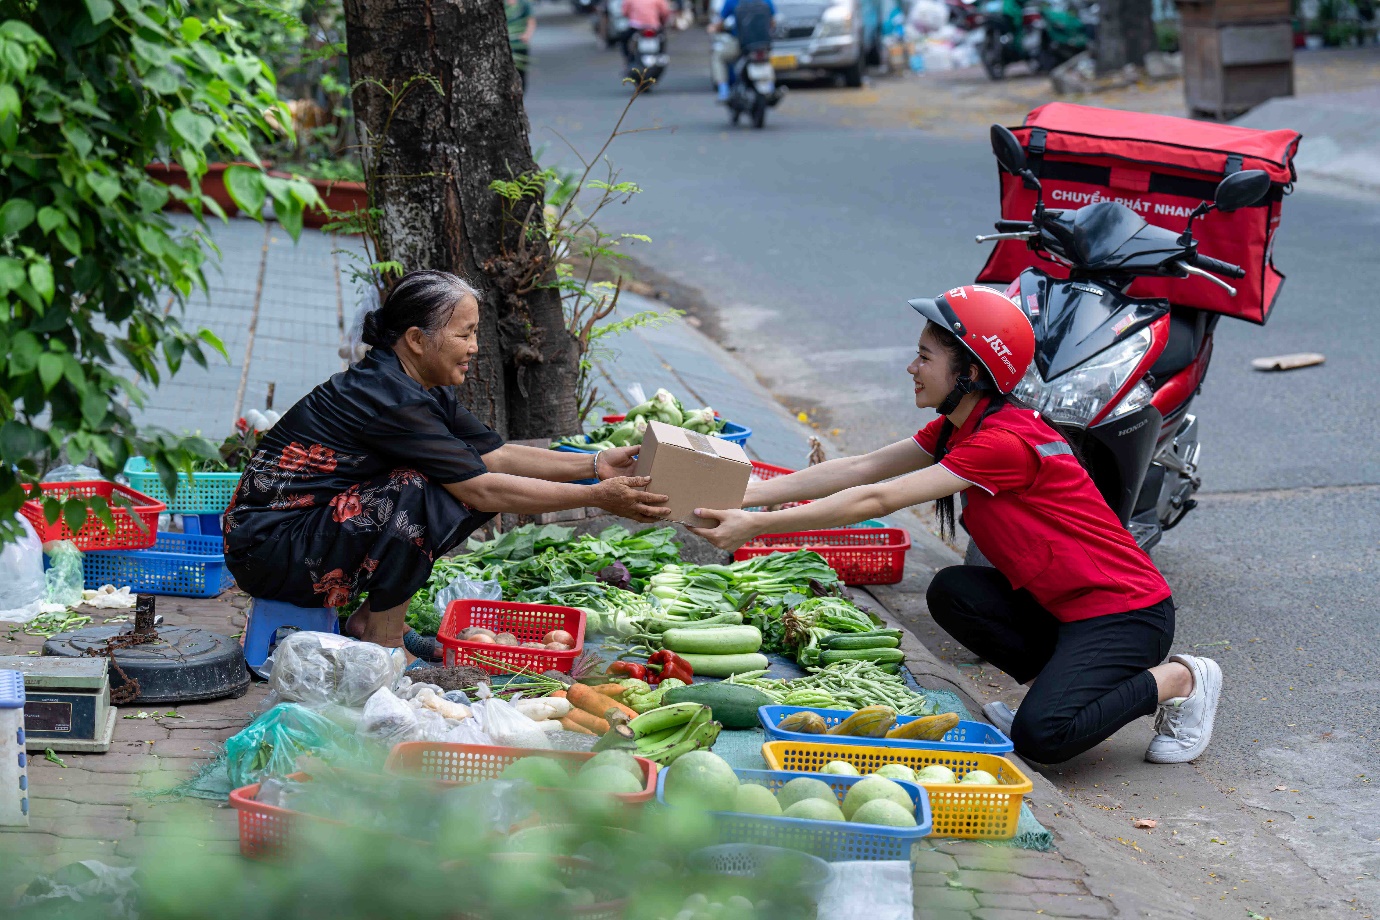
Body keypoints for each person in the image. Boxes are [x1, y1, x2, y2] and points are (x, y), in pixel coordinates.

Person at [689, 285, 1223, 766]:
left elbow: (877, 496)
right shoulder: (958, 427)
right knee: (954, 592)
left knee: (1042, 740)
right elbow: (860, 469)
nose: (912, 367)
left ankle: (1181, 678)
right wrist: (740, 495)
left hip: (1125, 614)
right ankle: (1061, 690)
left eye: (925, 357)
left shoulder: (1003, 443)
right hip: (1063, 610)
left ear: (970, 372)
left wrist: (754, 528)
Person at [224, 270, 668, 660]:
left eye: (475, 334)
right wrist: (598, 498)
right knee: (420, 487)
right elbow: (482, 487)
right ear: (417, 340)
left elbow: (496, 456)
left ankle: (373, 620)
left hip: (304, 536)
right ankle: (383, 638)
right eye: (464, 335)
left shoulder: (418, 384)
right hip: (269, 550)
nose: (474, 348)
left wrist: (595, 464)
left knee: (449, 483)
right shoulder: (390, 397)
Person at [708, 0, 775, 102]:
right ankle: (771, 86)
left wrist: (713, 28)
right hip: (762, 44)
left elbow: (720, 22)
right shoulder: (766, 1)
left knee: (718, 56)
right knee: (767, 59)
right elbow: (772, 22)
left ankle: (723, 90)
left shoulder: (732, 1)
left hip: (741, 44)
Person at [620, 0, 673, 68]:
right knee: (662, 38)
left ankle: (629, 58)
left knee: (624, 39)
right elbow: (665, 12)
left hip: (636, 27)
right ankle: (661, 54)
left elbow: (624, 12)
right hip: (653, 26)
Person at [506, 0, 536, 92]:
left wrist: (527, 35)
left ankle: (521, 95)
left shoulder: (524, 3)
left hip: (520, 43)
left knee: (521, 73)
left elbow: (531, 21)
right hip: (506, 44)